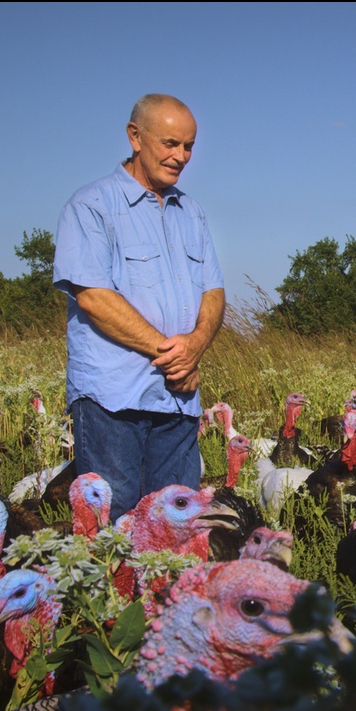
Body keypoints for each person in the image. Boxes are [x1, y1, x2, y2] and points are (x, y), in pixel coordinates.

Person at [53, 93, 225, 521]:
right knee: (115, 519)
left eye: (188, 146)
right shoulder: (92, 206)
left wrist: (197, 344)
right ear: (135, 137)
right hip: (114, 398)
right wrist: (173, 352)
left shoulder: (192, 213)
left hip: (178, 397)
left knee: (176, 523)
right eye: (170, 143)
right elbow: (93, 296)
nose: (181, 156)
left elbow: (214, 291)